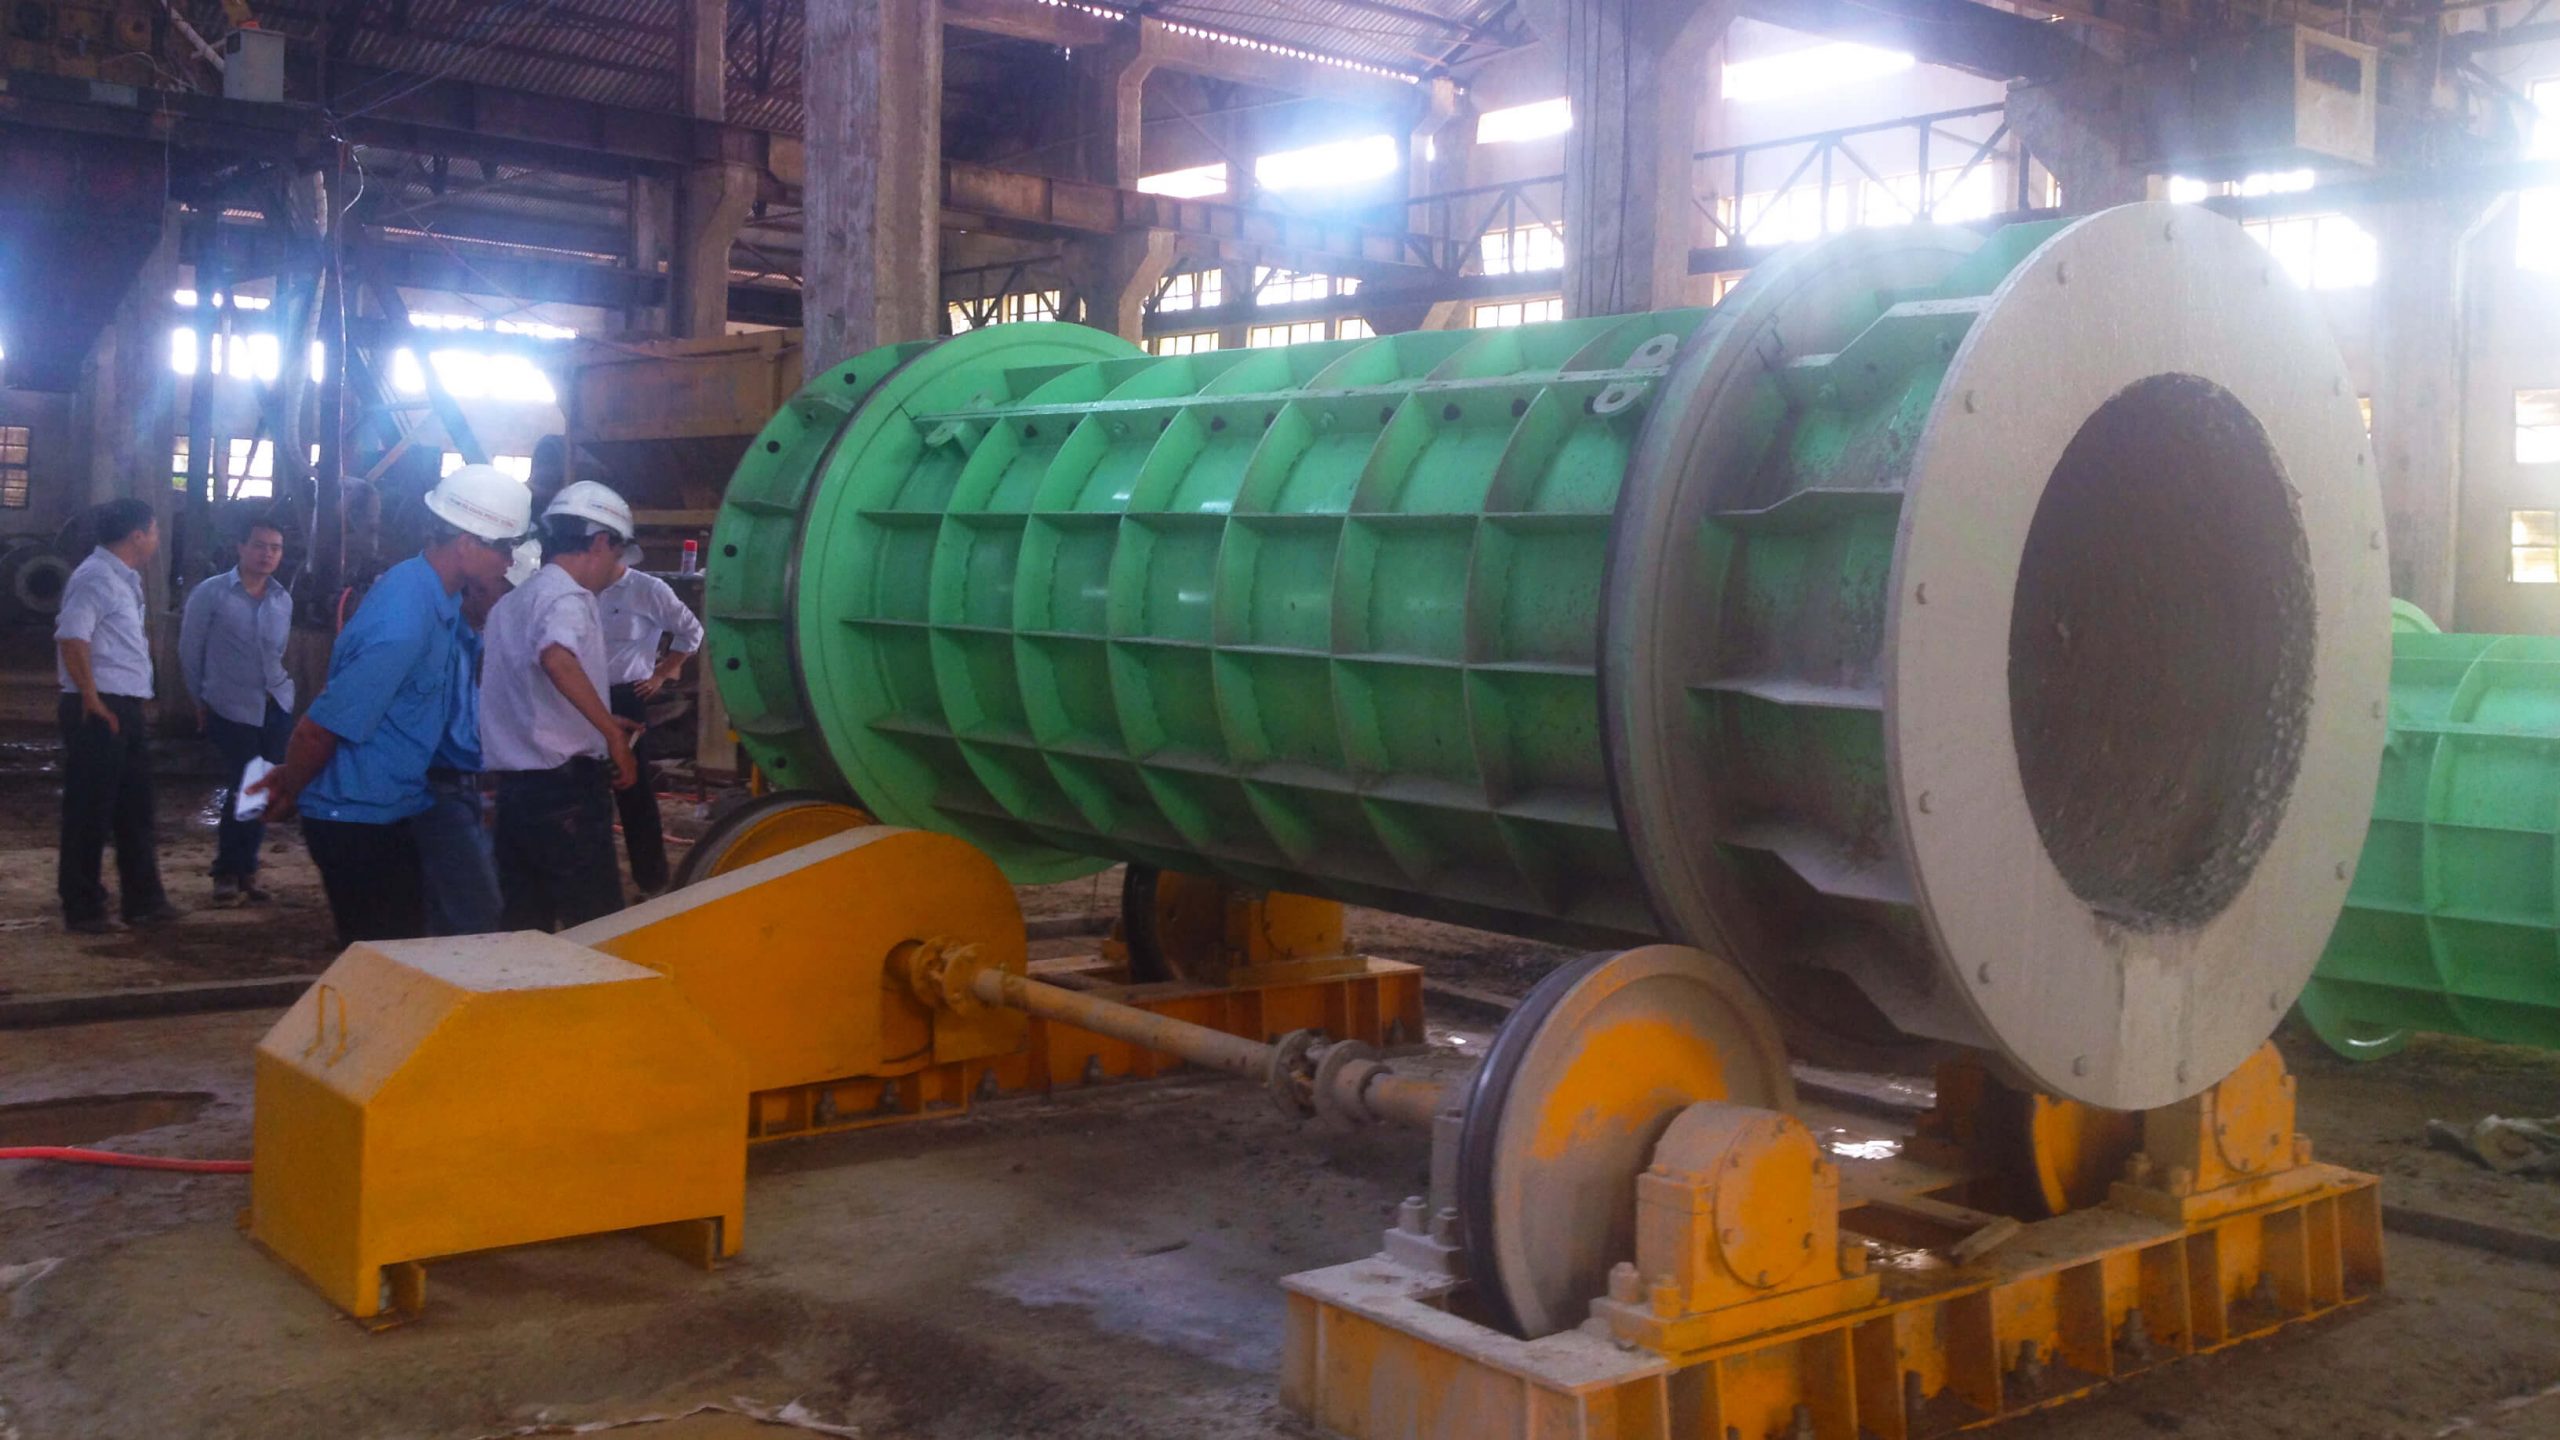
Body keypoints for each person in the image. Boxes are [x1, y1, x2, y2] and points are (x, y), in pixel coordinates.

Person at [248, 465, 530, 945]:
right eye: (505, 547)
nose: (509, 561)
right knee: (384, 958)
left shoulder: (437, 600)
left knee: (407, 951)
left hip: (392, 809)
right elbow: (318, 729)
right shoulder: (405, 619)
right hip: (355, 821)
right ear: (466, 543)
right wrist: (292, 787)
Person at [480, 481, 641, 932]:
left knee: (523, 926)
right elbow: (556, 658)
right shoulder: (569, 598)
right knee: (595, 929)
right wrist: (612, 736)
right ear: (600, 541)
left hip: (516, 795)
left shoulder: (511, 603)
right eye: (617, 556)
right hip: (565, 794)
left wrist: (597, 721)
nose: (615, 570)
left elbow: (528, 692)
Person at [54, 498, 178, 934]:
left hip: (122, 704)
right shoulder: (96, 577)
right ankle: (83, 905)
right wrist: (91, 698)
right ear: (138, 535)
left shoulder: (121, 578)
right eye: (155, 530)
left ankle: (143, 899)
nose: (157, 539)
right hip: (99, 705)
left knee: (134, 806)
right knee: (90, 808)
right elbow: (73, 637)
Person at [411, 540, 540, 937]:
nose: (509, 603)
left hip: (457, 786)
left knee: (445, 909)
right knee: (481, 914)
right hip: (435, 790)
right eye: (504, 590)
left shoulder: (472, 639)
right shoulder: (439, 639)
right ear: (476, 587)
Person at [179, 509, 294, 907]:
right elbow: (190, 652)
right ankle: (226, 872)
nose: (267, 554)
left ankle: (246, 869)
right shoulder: (211, 594)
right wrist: (199, 701)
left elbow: (277, 654)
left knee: (264, 787)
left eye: (275, 548)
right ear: (241, 548)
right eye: (260, 546)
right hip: (230, 706)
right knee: (246, 784)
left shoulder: (282, 599)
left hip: (275, 705)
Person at [598, 555, 703, 895]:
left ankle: (651, 877)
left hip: (626, 696)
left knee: (632, 787)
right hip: (584, 695)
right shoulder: (581, 587)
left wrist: (661, 673)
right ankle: (598, 879)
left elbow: (691, 630)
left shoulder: (647, 589)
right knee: (588, 786)